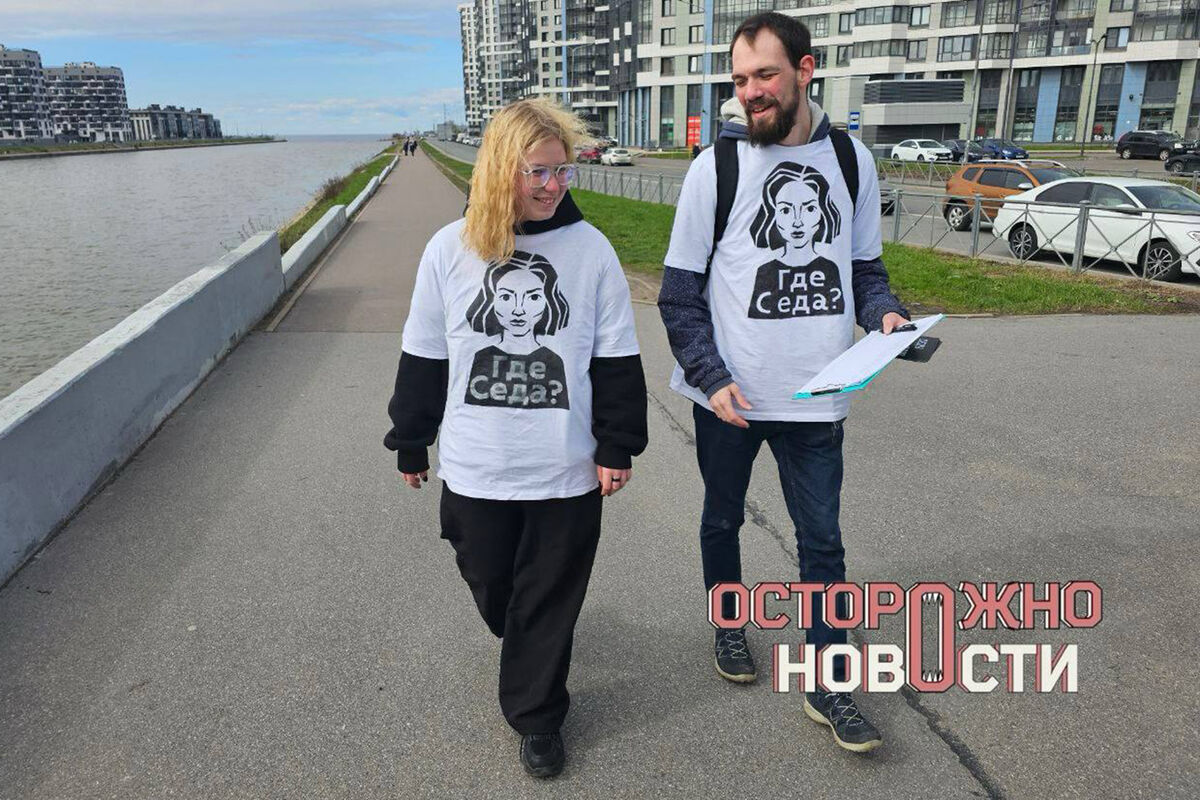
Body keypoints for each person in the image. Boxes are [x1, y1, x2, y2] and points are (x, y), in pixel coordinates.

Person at [657, 11, 909, 754]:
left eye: (764, 75)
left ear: (805, 69)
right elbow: (678, 294)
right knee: (721, 520)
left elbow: (864, 271)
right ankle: (729, 623)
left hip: (817, 397)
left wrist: (886, 315)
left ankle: (828, 684)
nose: (751, 93)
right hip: (729, 400)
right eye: (740, 79)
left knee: (823, 544)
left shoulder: (853, 162)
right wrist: (710, 377)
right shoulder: (717, 169)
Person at [384, 97, 648, 778]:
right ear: (503, 169)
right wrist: (411, 438)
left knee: (549, 597)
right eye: (539, 172)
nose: (553, 186)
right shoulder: (449, 249)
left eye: (563, 171)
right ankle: (532, 641)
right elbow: (425, 352)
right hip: (476, 468)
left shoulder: (590, 251)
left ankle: (537, 718)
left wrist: (617, 444)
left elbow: (616, 356)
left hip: (565, 468)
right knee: (493, 584)